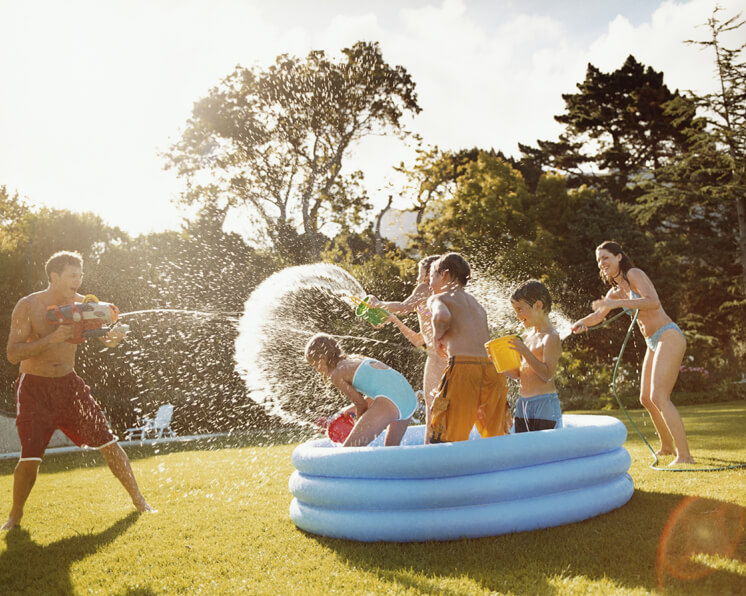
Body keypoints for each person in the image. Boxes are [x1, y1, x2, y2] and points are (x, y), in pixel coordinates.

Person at [2, 251, 153, 531]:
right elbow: (13, 353)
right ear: (54, 277)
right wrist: (52, 338)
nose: (78, 281)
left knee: (108, 442)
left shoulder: (85, 306)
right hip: (34, 388)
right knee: (31, 456)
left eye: (80, 275)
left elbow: (104, 337)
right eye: (73, 275)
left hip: (69, 385)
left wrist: (113, 339)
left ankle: (140, 501)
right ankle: (15, 516)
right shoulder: (29, 305)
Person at [571, 241, 694, 465]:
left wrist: (616, 304)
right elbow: (598, 315)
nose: (602, 263)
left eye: (605, 257)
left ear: (619, 257)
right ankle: (666, 447)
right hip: (652, 341)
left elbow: (653, 303)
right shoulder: (615, 292)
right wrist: (580, 323)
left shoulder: (634, 274)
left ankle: (685, 455)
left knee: (659, 396)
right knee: (646, 398)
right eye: (599, 260)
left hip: (668, 335)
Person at [427, 253, 510, 443]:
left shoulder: (439, 298)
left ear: (445, 275)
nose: (429, 283)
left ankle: (448, 471)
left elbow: (442, 317)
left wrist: (436, 337)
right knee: (495, 436)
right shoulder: (476, 304)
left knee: (445, 435)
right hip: (492, 369)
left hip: (464, 369)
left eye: (431, 276)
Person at [368, 255, 446, 442]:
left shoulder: (426, 289)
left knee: (434, 407)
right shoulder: (435, 296)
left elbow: (404, 307)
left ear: (430, 274)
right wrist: (395, 320)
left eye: (420, 274)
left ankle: (431, 450)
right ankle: (440, 449)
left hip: (440, 359)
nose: (418, 279)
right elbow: (419, 340)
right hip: (437, 356)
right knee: (437, 407)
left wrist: (378, 303)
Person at [305, 333, 416, 447]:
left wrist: (357, 425)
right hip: (410, 397)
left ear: (323, 359)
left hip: (392, 399)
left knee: (348, 452)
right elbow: (383, 388)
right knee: (391, 451)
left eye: (315, 365)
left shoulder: (337, 374)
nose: (318, 371)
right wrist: (351, 409)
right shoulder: (356, 359)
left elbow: (361, 404)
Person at [505, 280, 563, 432]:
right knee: (522, 451)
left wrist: (525, 351)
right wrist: (500, 363)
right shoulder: (526, 337)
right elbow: (518, 375)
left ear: (538, 305)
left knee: (546, 451)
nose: (517, 315)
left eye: (520, 309)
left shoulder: (551, 337)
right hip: (523, 403)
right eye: (515, 310)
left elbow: (546, 375)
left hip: (544, 403)